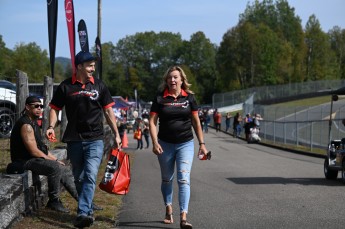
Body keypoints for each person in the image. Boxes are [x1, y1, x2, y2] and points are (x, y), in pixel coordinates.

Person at [46, 51, 121, 228]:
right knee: (79, 178)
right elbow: (54, 108)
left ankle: (83, 212)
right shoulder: (66, 86)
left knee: (90, 174)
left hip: (95, 138)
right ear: (79, 66)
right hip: (74, 139)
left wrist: (116, 133)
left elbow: (109, 112)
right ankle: (87, 211)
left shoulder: (100, 86)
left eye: (94, 65)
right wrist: (50, 126)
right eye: (89, 65)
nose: (92, 68)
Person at [149, 66, 209, 229]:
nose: (173, 80)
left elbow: (196, 122)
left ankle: (183, 216)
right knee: (167, 179)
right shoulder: (160, 98)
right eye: (170, 78)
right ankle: (168, 208)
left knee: (183, 179)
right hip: (164, 144)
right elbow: (152, 122)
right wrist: (154, 142)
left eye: (176, 77)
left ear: (182, 80)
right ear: (166, 80)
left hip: (185, 143)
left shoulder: (189, 98)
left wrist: (202, 144)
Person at [9, 96, 78, 213]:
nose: (39, 108)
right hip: (24, 161)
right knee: (55, 167)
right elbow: (34, 151)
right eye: (36, 106)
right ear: (27, 107)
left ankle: (83, 200)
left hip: (34, 159)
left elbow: (43, 150)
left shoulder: (34, 123)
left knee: (63, 167)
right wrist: (54, 162)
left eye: (41, 106)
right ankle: (53, 201)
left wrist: (56, 159)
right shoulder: (26, 125)